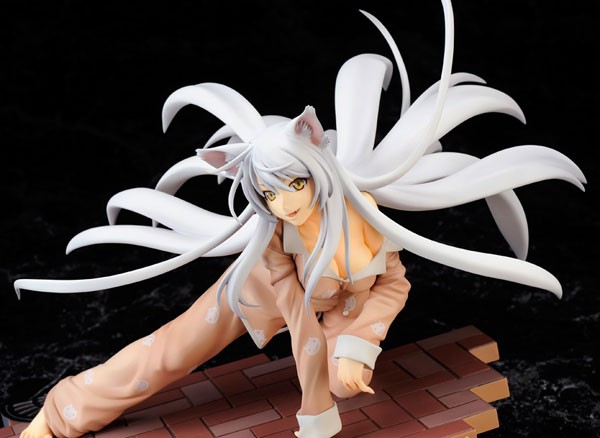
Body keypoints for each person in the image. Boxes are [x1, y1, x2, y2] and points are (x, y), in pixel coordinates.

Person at [16, 2, 585, 437]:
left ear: (316, 167)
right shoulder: (273, 238)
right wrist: (315, 414)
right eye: (268, 192)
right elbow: (299, 325)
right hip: (256, 294)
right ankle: (63, 412)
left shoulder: (365, 215)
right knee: (167, 352)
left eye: (293, 184)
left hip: (340, 306)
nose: (285, 201)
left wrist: (360, 343)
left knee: (347, 380)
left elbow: (394, 284)